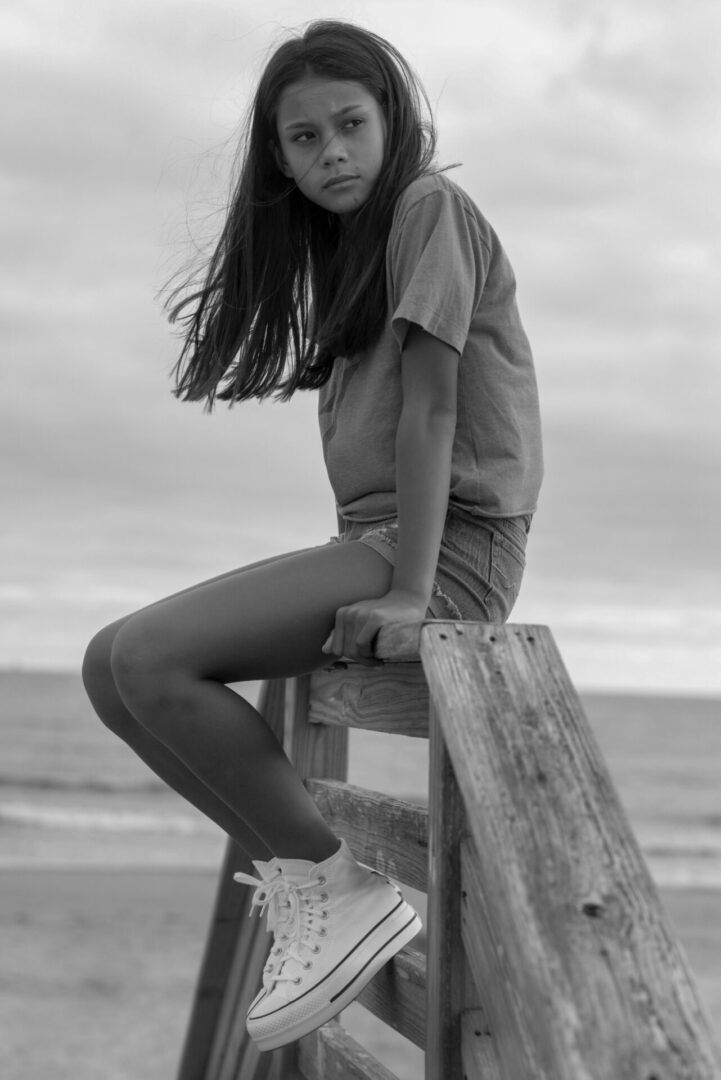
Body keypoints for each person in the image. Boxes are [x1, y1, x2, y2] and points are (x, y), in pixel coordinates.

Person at [82, 19, 543, 1052]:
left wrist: (413, 590)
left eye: (349, 125)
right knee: (109, 668)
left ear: (393, 122)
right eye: (303, 139)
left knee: (152, 659)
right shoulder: (350, 254)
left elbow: (433, 414)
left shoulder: (428, 207)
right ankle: (313, 878)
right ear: (279, 159)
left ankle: (337, 887)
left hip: (450, 548)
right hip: (390, 538)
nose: (331, 152)